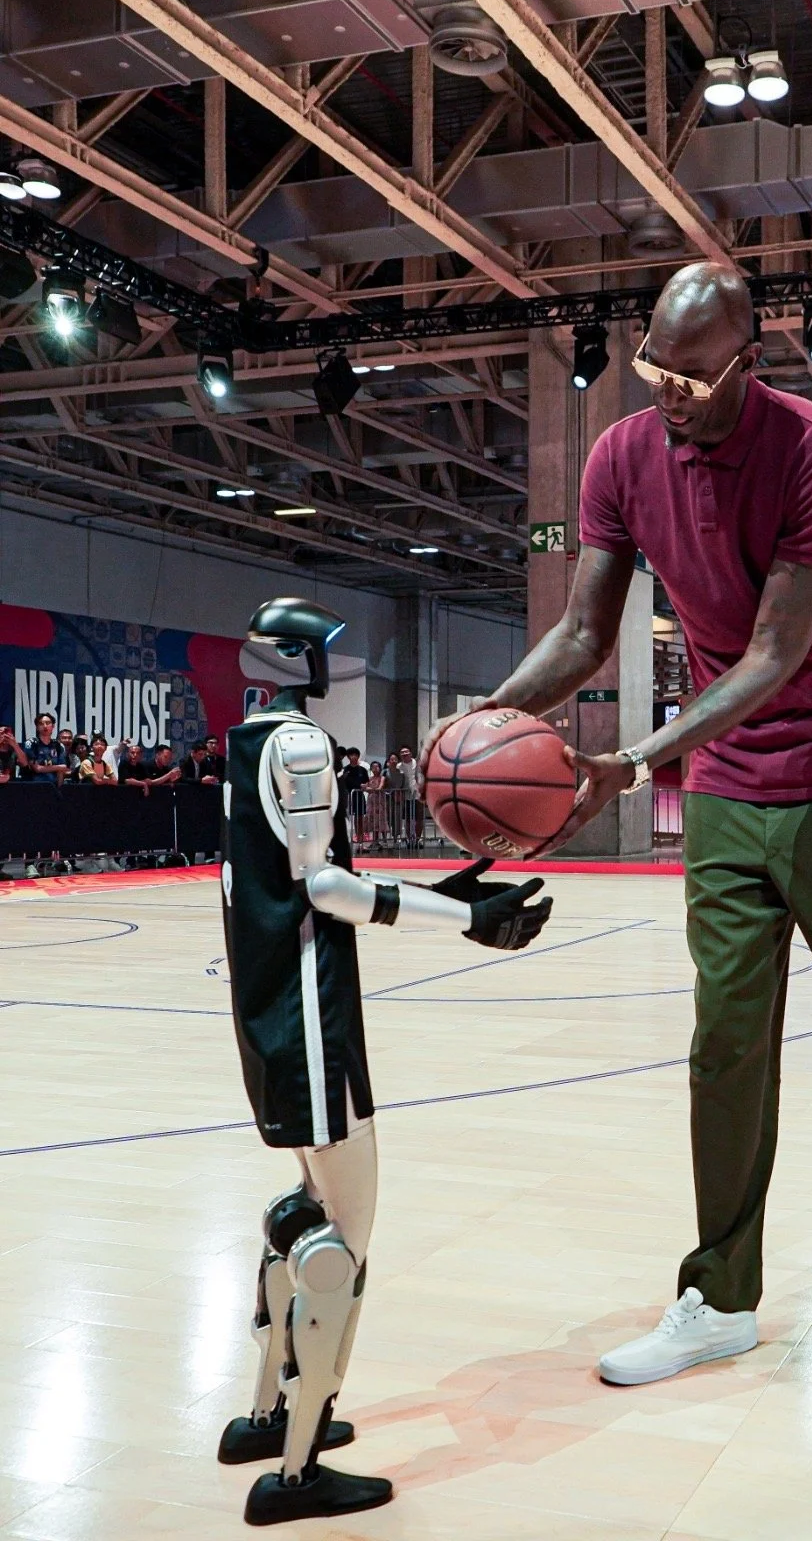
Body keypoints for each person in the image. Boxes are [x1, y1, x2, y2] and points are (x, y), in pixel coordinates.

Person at [421, 262, 812, 1391]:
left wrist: (635, 763)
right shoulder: (618, 456)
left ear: (748, 360)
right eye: (653, 368)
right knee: (724, 1042)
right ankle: (721, 1297)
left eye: (689, 377)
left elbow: (774, 656)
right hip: (731, 790)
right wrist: (486, 721)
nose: (666, 394)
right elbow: (584, 633)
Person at [215, 596, 552, 1525]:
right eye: (321, 651)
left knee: (304, 1216)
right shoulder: (301, 745)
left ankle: (266, 1418)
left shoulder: (247, 741)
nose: (331, 662)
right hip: (309, 1011)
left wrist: (437, 893)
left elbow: (295, 877)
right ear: (296, 661)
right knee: (342, 1246)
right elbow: (325, 888)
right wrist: (465, 917)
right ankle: (295, 1475)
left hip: (270, 1007)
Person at [23, 713, 69, 784]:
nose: (45, 726)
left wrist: (59, 789)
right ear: (37, 727)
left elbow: (61, 770)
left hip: (53, 787)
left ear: (53, 726)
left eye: (48, 723)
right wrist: (59, 767)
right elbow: (37, 768)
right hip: (33, 786)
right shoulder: (31, 743)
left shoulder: (59, 745)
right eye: (41, 724)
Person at [364, 760, 389, 847]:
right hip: (371, 802)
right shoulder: (369, 778)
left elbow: (380, 787)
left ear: (380, 768)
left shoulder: (382, 778)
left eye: (377, 767)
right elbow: (365, 787)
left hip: (380, 802)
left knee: (382, 821)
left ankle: (385, 840)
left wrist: (371, 789)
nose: (375, 769)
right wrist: (370, 789)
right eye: (373, 767)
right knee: (373, 821)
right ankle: (375, 841)